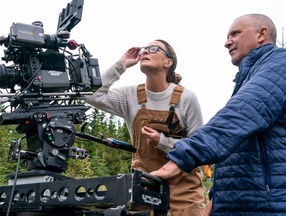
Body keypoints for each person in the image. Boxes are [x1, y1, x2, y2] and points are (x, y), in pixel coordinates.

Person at [150, 14, 286, 215]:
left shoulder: (281, 63)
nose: (227, 42)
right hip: (242, 204)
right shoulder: (248, 78)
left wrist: (184, 156)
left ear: (261, 34)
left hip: (267, 206)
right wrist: (216, 197)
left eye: (235, 33)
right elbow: (238, 141)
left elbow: (240, 115)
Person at [85, 39, 205, 215]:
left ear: (168, 62)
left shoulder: (186, 98)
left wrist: (162, 141)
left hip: (184, 179)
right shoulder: (130, 96)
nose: (146, 51)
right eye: (145, 48)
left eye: (154, 48)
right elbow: (91, 95)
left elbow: (199, 147)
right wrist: (122, 64)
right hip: (145, 180)